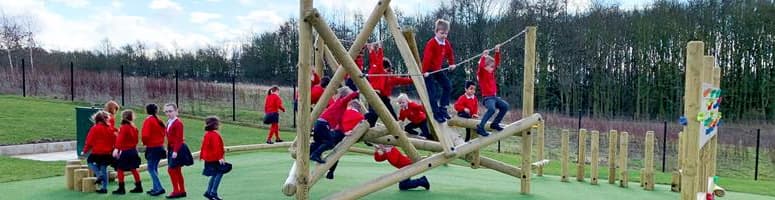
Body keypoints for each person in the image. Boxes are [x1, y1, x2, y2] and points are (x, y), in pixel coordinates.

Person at [365, 43, 414, 127]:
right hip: (375, 94)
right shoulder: (379, 71)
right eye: (389, 69)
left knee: (392, 117)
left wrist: (412, 79)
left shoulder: (389, 77)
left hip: (384, 98)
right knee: (373, 115)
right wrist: (379, 48)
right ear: (385, 68)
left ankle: (396, 128)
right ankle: (363, 121)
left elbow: (401, 80)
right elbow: (377, 60)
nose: (391, 71)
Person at [310, 87, 360, 164]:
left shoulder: (341, 106)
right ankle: (315, 154)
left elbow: (340, 121)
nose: (351, 99)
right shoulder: (341, 102)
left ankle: (310, 152)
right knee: (329, 142)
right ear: (346, 96)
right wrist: (357, 92)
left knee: (319, 142)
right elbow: (348, 98)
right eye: (350, 95)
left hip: (320, 123)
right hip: (324, 124)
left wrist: (344, 132)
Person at [422, 19, 456, 123]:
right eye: (442, 33)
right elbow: (426, 58)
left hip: (438, 69)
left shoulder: (446, 43)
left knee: (448, 86)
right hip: (429, 71)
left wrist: (451, 63)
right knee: (433, 93)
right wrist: (425, 71)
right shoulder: (431, 43)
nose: (444, 36)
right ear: (436, 31)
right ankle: (436, 113)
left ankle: (443, 108)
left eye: (446, 33)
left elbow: (450, 53)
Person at [325, 100, 365, 179]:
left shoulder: (343, 112)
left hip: (335, 132)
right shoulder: (360, 117)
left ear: (350, 106)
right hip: (346, 137)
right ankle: (331, 172)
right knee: (337, 153)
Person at [476, 44, 509, 137]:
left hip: (494, 97)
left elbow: (497, 63)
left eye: (493, 67)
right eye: (491, 67)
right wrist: (483, 57)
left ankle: (495, 124)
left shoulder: (491, 72)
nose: (493, 69)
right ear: (485, 66)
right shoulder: (482, 74)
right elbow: (481, 67)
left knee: (505, 106)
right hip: (487, 98)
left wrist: (497, 51)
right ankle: (480, 127)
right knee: (491, 109)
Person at [81, 110, 116, 194]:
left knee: (89, 161)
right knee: (104, 168)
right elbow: (114, 140)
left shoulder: (94, 128)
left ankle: (98, 174)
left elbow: (89, 141)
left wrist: (84, 151)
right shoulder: (110, 129)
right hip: (107, 153)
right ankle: (104, 188)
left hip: (97, 152)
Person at [164, 103, 194, 199]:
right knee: (176, 170)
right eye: (166, 111)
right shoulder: (169, 122)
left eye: (170, 111)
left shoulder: (178, 123)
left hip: (178, 148)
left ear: (176, 111)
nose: (168, 113)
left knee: (171, 170)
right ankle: (182, 191)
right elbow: (169, 137)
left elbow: (179, 138)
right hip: (172, 148)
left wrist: (175, 151)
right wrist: (168, 149)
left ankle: (176, 191)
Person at [112, 110, 143, 194]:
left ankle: (121, 188)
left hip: (125, 151)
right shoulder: (134, 128)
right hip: (133, 150)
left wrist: (116, 149)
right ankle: (139, 186)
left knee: (120, 169)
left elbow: (120, 139)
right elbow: (136, 140)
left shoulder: (124, 127)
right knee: (133, 169)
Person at [142, 104, 167, 196]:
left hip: (152, 147)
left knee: (151, 168)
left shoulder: (149, 120)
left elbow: (145, 135)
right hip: (160, 146)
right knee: (155, 168)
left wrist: (144, 143)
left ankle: (159, 188)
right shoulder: (159, 120)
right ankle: (155, 188)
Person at [200, 116, 227, 200]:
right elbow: (216, 147)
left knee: (215, 174)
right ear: (215, 125)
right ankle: (213, 192)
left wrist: (202, 156)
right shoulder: (214, 135)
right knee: (219, 173)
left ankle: (209, 192)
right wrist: (220, 157)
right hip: (214, 158)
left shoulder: (207, 134)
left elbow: (204, 147)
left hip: (209, 159)